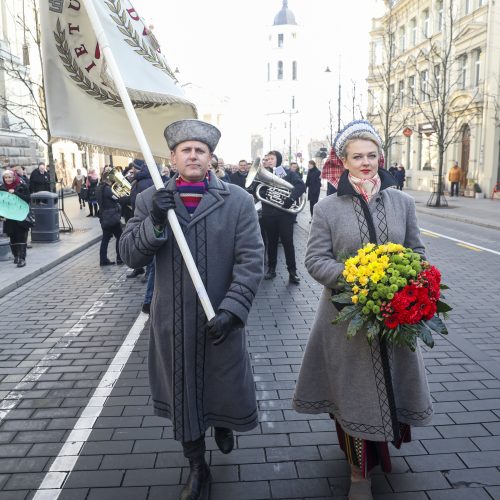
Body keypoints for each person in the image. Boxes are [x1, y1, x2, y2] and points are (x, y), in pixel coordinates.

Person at [119, 119, 264, 500]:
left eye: (200, 150)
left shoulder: (238, 201)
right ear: (173, 158)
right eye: (186, 150)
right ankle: (197, 466)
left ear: (210, 157)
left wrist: (233, 310)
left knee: (222, 388)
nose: (194, 155)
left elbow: (251, 260)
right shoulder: (151, 200)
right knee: (184, 395)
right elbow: (129, 253)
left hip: (221, 320)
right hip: (174, 324)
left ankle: (223, 422)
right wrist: (153, 222)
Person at [292, 120, 433, 500]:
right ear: (344, 160)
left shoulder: (402, 202)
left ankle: (384, 447)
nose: (367, 162)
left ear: (380, 157)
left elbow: (417, 253)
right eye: (358, 156)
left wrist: (409, 281)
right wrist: (358, 279)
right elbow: (315, 260)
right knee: (355, 397)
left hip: (395, 318)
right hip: (345, 323)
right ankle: (359, 475)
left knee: (391, 389)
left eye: (372, 155)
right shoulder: (326, 208)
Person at [261, 150, 305, 284]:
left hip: (284, 214)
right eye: (267, 159)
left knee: (288, 243)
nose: (269, 161)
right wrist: (262, 189)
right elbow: (256, 189)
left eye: (271, 159)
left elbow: (300, 186)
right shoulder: (263, 174)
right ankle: (271, 269)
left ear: (278, 160)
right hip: (269, 213)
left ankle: (292, 272)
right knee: (271, 243)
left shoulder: (285, 173)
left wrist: (291, 198)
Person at [0, 170, 31, 267]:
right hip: (9, 218)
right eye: (6, 177)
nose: (8, 179)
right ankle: (16, 256)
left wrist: (15, 193)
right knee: (12, 238)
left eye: (10, 177)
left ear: (14, 177)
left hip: (21, 216)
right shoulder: (2, 188)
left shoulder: (21, 186)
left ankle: (22, 258)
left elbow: (28, 199)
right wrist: (1, 216)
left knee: (21, 237)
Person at [96, 170, 123, 266]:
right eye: (112, 178)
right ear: (108, 179)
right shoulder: (107, 189)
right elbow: (117, 197)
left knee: (105, 239)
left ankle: (103, 260)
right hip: (111, 218)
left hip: (104, 217)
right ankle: (120, 258)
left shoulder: (99, 188)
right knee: (120, 236)